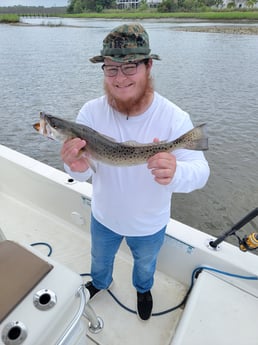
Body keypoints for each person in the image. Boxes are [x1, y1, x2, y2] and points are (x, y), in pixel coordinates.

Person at [61, 23, 210, 321]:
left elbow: (201, 171)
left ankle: (143, 289)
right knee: (99, 260)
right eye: (111, 68)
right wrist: (74, 166)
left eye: (129, 67)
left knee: (145, 265)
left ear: (148, 66)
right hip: (103, 217)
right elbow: (83, 173)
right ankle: (100, 283)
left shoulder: (173, 117)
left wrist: (175, 171)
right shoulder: (90, 113)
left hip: (150, 225)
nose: (119, 78)